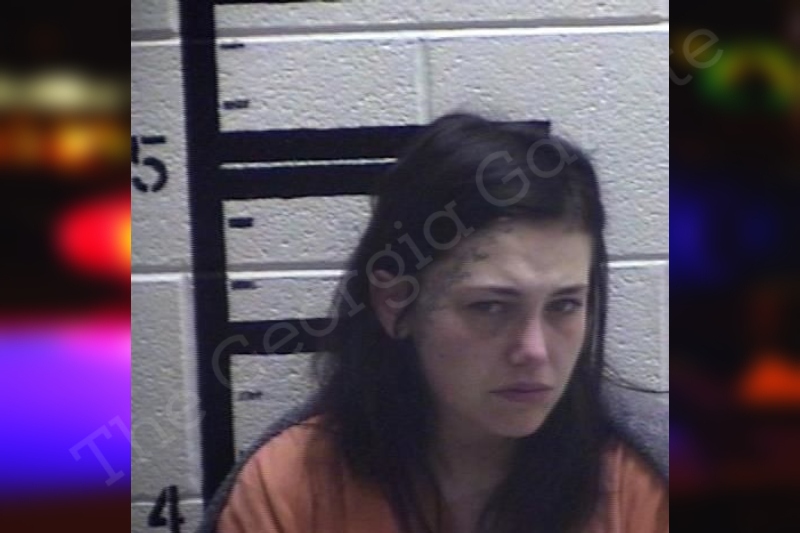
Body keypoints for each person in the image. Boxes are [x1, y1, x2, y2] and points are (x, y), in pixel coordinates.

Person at [201, 113, 669, 533]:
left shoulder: (639, 484)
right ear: (395, 305)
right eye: (490, 307)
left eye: (564, 305)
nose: (534, 351)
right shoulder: (288, 488)